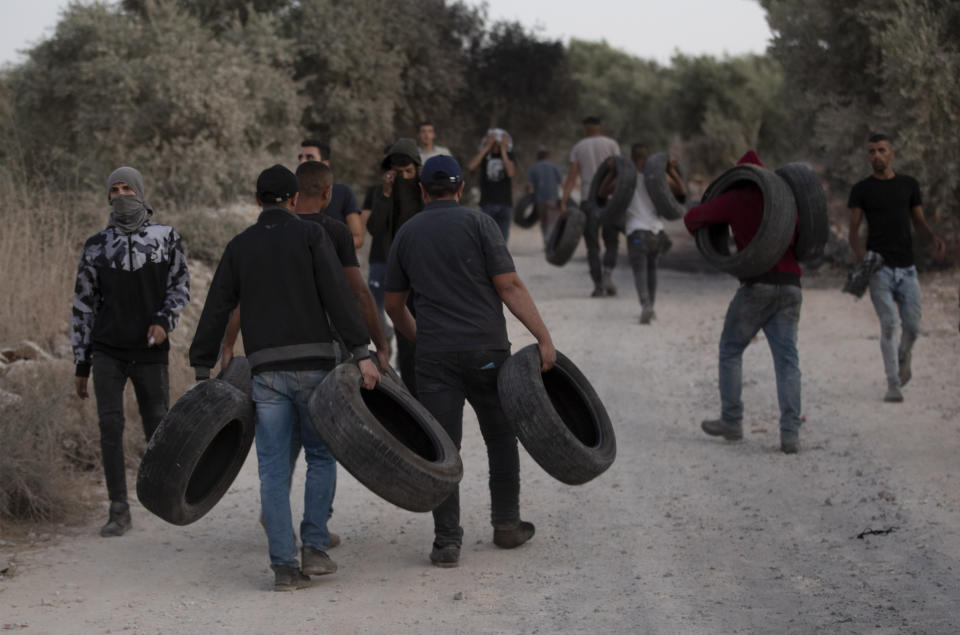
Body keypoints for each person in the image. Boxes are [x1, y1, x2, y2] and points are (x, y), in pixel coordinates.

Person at [190, 165, 380, 591]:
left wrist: (203, 364)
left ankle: (282, 567)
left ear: (258, 200)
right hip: (315, 368)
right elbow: (338, 294)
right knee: (320, 456)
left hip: (267, 375)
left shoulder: (240, 246)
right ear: (295, 199)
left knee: (273, 470)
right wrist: (362, 351)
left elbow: (217, 305)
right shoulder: (313, 236)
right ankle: (313, 548)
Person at [385, 155, 557, 568]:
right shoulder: (481, 224)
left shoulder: (407, 233)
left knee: (444, 448)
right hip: (487, 352)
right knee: (500, 437)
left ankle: (447, 542)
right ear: (461, 189)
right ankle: (506, 524)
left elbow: (393, 305)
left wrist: (422, 338)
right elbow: (509, 285)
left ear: (423, 191)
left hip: (435, 357)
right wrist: (543, 337)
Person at [71, 167, 190, 537]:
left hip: (151, 348)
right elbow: (83, 305)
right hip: (108, 350)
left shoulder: (166, 238)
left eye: (127, 188)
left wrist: (163, 320)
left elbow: (180, 286)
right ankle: (118, 509)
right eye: (115, 189)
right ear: (108, 195)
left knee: (158, 424)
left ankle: (166, 499)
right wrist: (81, 362)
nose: (121, 195)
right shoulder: (96, 246)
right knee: (110, 427)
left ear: (140, 191)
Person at [683, 151, 803, 454]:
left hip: (757, 285)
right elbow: (803, 240)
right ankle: (790, 435)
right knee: (787, 361)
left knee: (731, 350)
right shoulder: (787, 200)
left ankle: (732, 421)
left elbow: (692, 218)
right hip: (791, 285)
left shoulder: (736, 198)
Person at [848, 134, 946, 403]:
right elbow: (853, 231)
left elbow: (918, 221)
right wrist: (862, 259)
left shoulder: (908, 185)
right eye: (871, 152)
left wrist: (933, 238)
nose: (876, 155)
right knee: (889, 324)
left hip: (908, 268)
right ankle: (893, 384)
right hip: (879, 268)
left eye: (881, 150)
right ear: (868, 156)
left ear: (892, 153)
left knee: (912, 327)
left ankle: (903, 355)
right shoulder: (861, 190)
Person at [367, 138, 424, 395]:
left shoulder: (425, 192)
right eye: (397, 172)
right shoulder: (382, 193)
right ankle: (414, 392)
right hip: (397, 274)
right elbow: (375, 228)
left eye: (408, 172)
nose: (403, 177)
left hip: (424, 274)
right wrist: (387, 194)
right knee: (406, 339)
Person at [623, 143, 686, 324]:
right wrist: (671, 170)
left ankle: (646, 306)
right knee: (652, 271)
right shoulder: (659, 178)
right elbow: (681, 191)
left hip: (636, 232)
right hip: (656, 232)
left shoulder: (626, 178)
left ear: (632, 158)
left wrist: (612, 172)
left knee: (639, 272)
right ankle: (651, 307)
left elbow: (603, 192)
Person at [560, 116, 622, 297]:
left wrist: (564, 202)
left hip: (588, 200)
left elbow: (572, 177)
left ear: (585, 128)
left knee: (592, 246)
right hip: (610, 199)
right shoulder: (611, 144)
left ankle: (598, 286)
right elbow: (621, 172)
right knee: (612, 241)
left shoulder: (578, 147)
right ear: (601, 127)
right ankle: (608, 274)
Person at [298, 139, 364, 249]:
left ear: (325, 164)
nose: (302, 161)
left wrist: (325, 249)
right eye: (300, 157)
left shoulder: (343, 192)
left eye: (309, 157)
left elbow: (357, 238)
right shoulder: (293, 192)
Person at [466, 129, 517, 242]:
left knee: (502, 240)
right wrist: (486, 147)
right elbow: (471, 166)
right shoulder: (484, 156)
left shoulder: (509, 155)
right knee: (486, 238)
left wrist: (503, 150)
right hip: (487, 203)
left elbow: (510, 173)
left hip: (505, 203)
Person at [525, 149, 564, 243]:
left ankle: (546, 241)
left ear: (538, 158)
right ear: (547, 157)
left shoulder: (533, 168)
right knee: (552, 221)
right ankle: (552, 240)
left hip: (539, 199)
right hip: (552, 198)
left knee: (543, 221)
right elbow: (561, 182)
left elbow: (528, 185)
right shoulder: (554, 166)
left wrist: (527, 197)